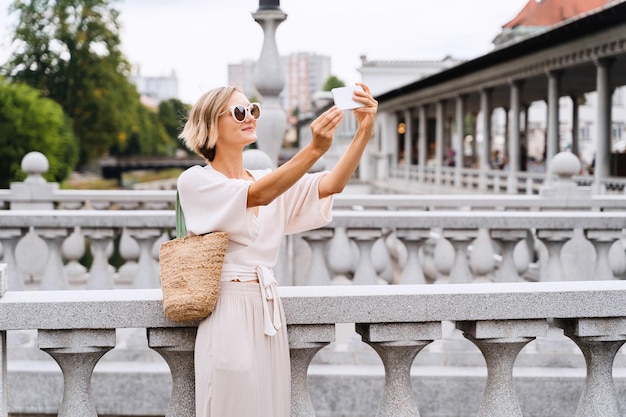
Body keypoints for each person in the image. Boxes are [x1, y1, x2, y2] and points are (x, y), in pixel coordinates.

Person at [176, 83, 378, 417]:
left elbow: (331, 185)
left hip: (269, 309)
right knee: (230, 405)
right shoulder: (196, 181)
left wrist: (364, 131)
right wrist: (313, 150)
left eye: (252, 109)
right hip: (226, 308)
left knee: (271, 408)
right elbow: (256, 196)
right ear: (212, 125)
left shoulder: (268, 177)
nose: (250, 117)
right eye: (239, 112)